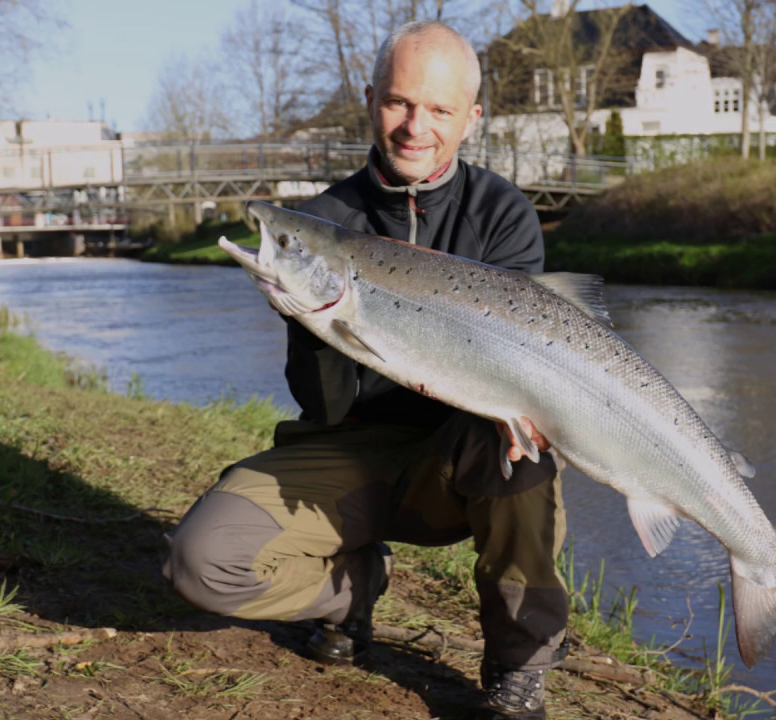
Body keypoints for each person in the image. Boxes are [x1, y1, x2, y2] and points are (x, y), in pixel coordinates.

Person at [163, 20, 568, 720]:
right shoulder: (322, 223)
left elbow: (516, 376)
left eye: (439, 110)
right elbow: (322, 406)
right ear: (370, 98)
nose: (416, 127)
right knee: (199, 563)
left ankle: (518, 663)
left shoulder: (502, 215)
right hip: (347, 452)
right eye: (399, 103)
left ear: (471, 119)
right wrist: (308, 320)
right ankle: (352, 585)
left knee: (522, 450)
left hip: (459, 458)